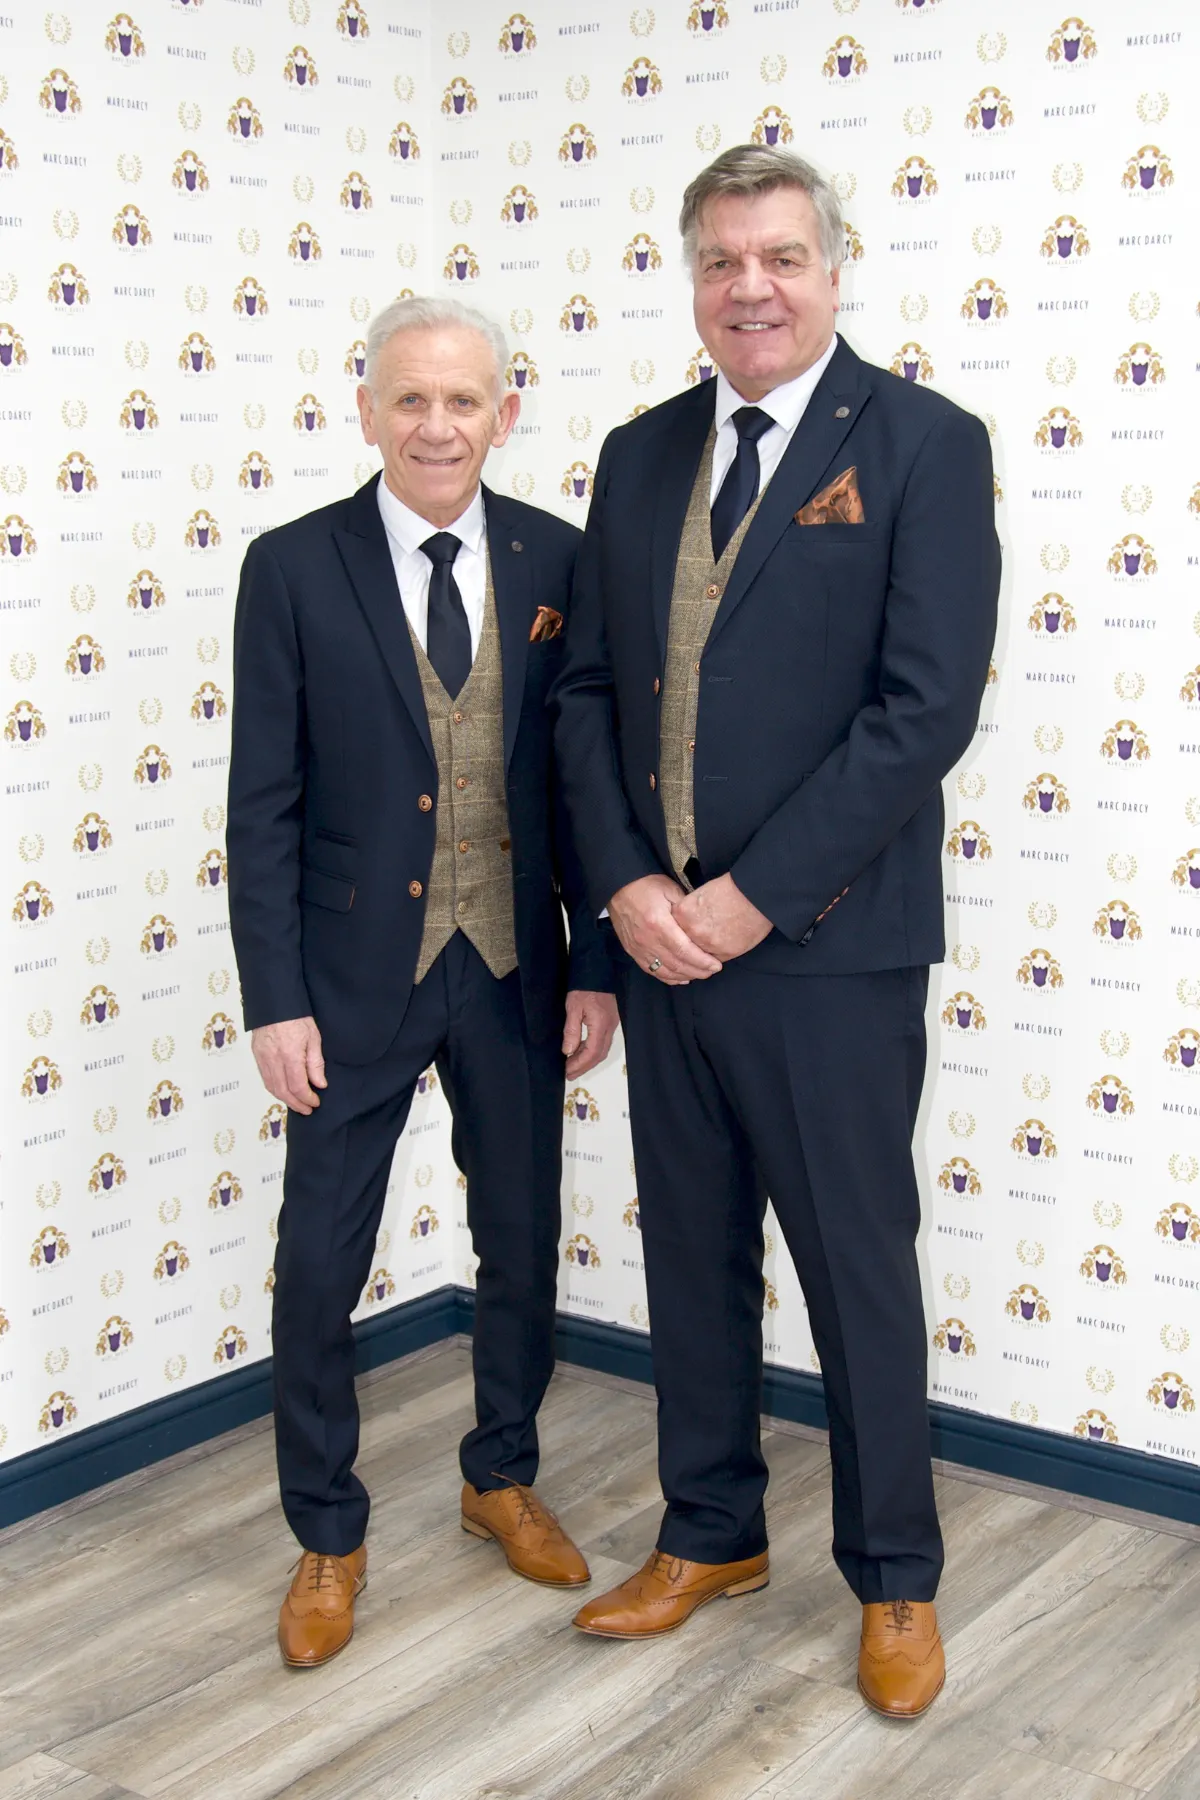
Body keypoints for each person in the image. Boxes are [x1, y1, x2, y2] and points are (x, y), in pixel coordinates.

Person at [553, 146, 999, 1718]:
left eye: (783, 257)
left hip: (826, 949)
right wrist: (625, 895)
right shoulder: (637, 449)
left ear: (833, 270)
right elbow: (592, 695)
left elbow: (920, 712)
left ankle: (896, 1577)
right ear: (693, 278)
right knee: (688, 1254)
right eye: (724, 258)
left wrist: (750, 898)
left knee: (855, 1270)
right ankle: (710, 1531)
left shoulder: (929, 445)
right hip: (661, 943)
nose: (753, 285)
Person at [228, 294, 618, 1669]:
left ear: (503, 413)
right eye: (411, 399)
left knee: (519, 1241)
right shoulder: (291, 566)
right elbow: (261, 803)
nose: (437, 425)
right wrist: (274, 998)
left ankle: (497, 1473)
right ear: (367, 407)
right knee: (319, 1267)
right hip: (345, 985)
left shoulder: (559, 558)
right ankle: (327, 1537)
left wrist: (599, 970)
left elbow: (587, 793)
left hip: (516, 969)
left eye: (464, 401)